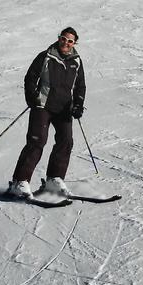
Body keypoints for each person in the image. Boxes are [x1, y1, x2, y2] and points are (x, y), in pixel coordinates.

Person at [8, 27, 85, 199]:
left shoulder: (76, 61)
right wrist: (32, 96)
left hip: (64, 108)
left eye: (70, 40)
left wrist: (78, 104)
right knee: (37, 141)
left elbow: (80, 85)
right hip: (42, 105)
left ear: (74, 43)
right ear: (59, 38)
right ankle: (19, 182)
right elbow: (30, 77)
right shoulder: (46, 56)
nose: (66, 43)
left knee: (66, 141)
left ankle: (54, 179)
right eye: (64, 38)